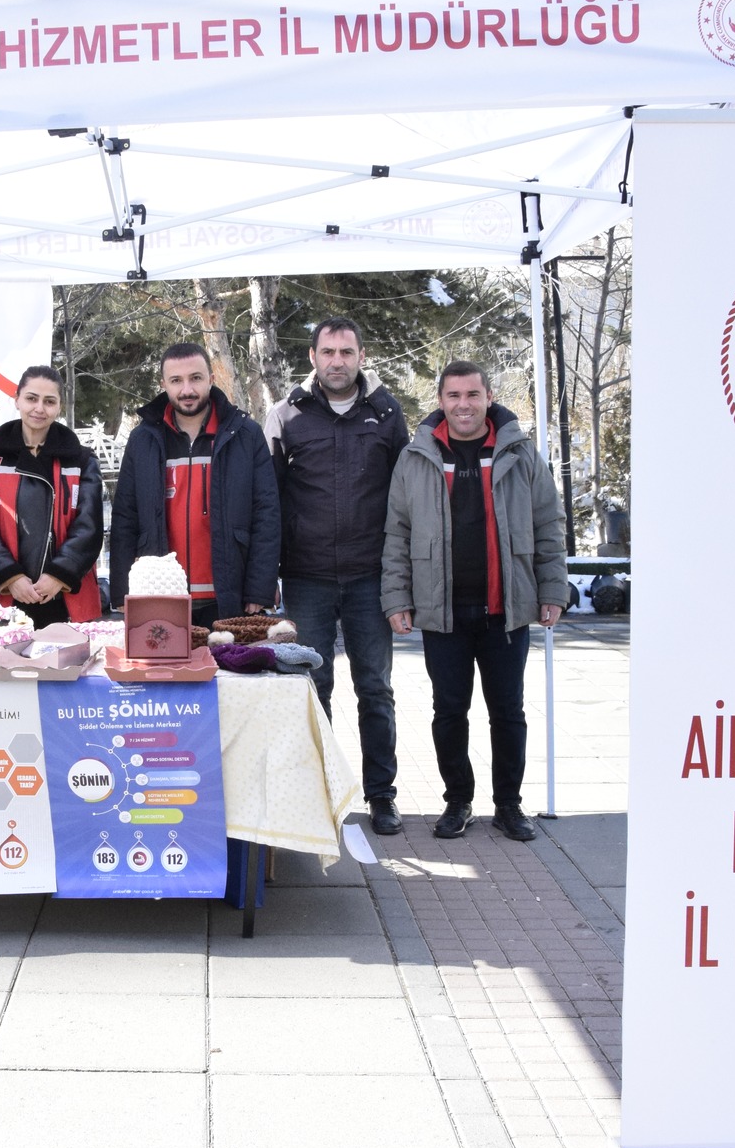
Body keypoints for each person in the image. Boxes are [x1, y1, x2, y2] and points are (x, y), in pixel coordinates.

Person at [381, 361, 567, 842]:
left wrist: (553, 590)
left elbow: (548, 525)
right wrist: (397, 597)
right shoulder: (417, 456)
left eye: (473, 395)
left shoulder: (520, 454)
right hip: (442, 611)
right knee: (449, 711)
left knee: (508, 712)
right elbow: (397, 534)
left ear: (488, 398)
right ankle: (457, 801)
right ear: (441, 400)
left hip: (506, 610)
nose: (463, 405)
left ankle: (509, 804)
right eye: (454, 396)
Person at [265, 317, 411, 835]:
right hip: (305, 577)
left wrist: (403, 577)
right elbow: (270, 501)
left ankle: (382, 795)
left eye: (347, 351)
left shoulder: (388, 414)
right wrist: (270, 576)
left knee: (375, 688)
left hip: (371, 576)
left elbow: (405, 499)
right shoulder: (286, 416)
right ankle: (321, 791)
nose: (337, 361)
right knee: (312, 685)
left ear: (361, 355)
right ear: (312, 357)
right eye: (328, 351)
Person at [108, 343, 279, 624]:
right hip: (161, 596)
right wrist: (122, 593)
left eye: (196, 378)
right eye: (176, 380)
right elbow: (126, 516)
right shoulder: (144, 439)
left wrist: (260, 588)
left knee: (229, 667)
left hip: (229, 596)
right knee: (165, 670)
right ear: (163, 384)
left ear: (211, 379)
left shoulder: (245, 435)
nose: (187, 390)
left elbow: (267, 514)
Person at [0, 365, 105, 629]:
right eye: (31, 398)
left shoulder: (83, 461)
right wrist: (11, 576)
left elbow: (90, 526)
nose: (39, 408)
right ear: (16, 399)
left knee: (68, 670)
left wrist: (58, 575)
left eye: (49, 401)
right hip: (6, 598)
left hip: (66, 597)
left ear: (59, 407)